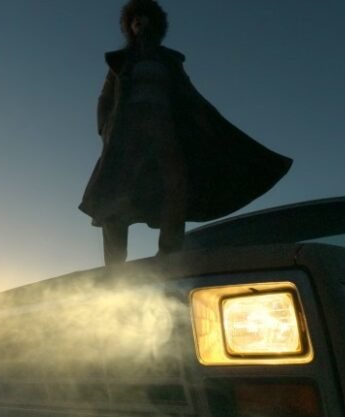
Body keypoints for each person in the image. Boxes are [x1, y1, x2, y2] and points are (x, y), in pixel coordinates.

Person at [79, 0, 292, 265]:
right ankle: (114, 264)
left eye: (144, 20)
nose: (139, 24)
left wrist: (207, 120)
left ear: (154, 25)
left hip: (163, 126)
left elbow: (188, 93)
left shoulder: (169, 61)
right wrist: (104, 127)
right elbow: (105, 97)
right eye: (135, 21)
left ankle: (169, 252)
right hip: (126, 131)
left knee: (175, 182)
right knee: (116, 193)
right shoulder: (120, 61)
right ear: (129, 27)